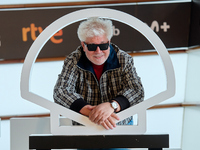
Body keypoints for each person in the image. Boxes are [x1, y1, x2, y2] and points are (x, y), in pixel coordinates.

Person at [53, 17, 144, 131]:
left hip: (119, 127)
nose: (98, 51)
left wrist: (112, 106)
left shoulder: (123, 59)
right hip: (84, 128)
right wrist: (91, 112)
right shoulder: (73, 60)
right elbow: (61, 91)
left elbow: (137, 91)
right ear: (83, 45)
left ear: (109, 42)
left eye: (103, 45)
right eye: (91, 46)